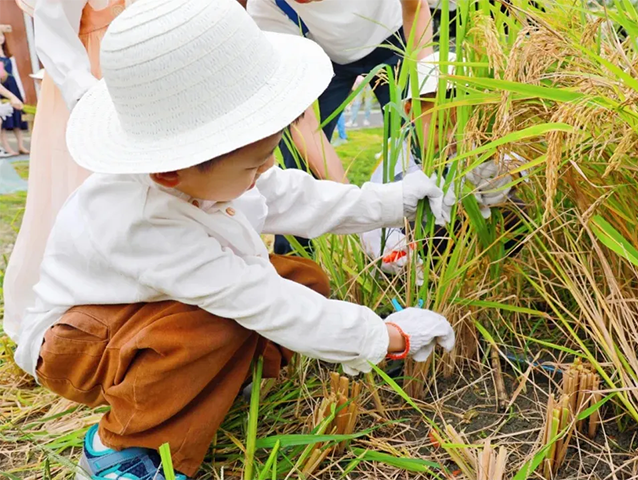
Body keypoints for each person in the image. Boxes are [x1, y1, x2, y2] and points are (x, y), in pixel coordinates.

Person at [12, 1, 456, 478]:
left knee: (300, 279)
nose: (265, 170)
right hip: (80, 343)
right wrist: (386, 336)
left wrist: (398, 201)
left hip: (149, 311)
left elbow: (297, 197)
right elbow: (260, 300)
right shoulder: (140, 220)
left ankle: (217, 383)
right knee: (215, 325)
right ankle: (119, 448)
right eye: (254, 164)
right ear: (168, 171)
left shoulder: (210, 174)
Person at [246, 0, 434, 255]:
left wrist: (427, 95)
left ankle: (425, 247)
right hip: (327, 57)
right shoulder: (265, 8)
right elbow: (303, 122)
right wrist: (363, 218)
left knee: (417, 143)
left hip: (395, 37)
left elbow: (415, 8)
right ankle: (296, 261)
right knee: (297, 159)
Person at [3, 0, 135, 343]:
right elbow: (54, 28)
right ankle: (95, 315)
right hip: (95, 79)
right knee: (95, 192)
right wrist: (88, 99)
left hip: (140, 64)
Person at [360, 52, 527, 276]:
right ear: (410, 112)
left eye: (461, 127)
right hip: (422, 247)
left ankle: (500, 273)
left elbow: (520, 166)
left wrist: (503, 176)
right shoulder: (396, 156)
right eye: (440, 126)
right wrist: (399, 257)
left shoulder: (476, 144)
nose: (452, 137)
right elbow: (373, 220)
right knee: (432, 228)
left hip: (474, 234)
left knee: (518, 210)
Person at [0, 32, 29, 156]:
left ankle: (21, 146)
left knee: (17, 118)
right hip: (4, 89)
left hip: (12, 88)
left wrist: (18, 95)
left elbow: (15, 74)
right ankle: (6, 148)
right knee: (3, 121)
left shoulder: (9, 57)